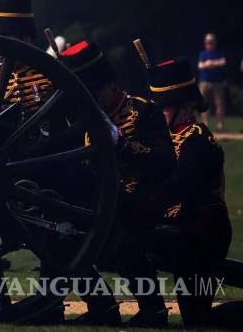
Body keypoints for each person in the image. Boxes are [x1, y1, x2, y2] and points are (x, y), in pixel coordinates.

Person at [60, 40, 176, 326]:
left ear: (110, 86)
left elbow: (164, 163)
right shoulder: (85, 118)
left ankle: (154, 310)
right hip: (99, 204)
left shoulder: (144, 112)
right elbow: (58, 148)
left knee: (122, 237)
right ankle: (102, 307)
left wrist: (121, 144)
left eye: (93, 92)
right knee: (61, 236)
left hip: (142, 201)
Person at [146, 57, 230, 327]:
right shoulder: (165, 140)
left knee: (198, 318)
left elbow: (177, 187)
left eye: (165, 107)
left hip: (204, 233)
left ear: (186, 107)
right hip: (181, 230)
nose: (160, 114)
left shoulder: (198, 141)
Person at [197, 33, 228, 131]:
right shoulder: (203, 53)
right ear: (205, 43)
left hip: (217, 82)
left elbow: (223, 62)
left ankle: (220, 124)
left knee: (219, 103)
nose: (209, 44)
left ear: (215, 43)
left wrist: (210, 63)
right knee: (204, 104)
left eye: (211, 42)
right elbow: (200, 65)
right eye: (207, 42)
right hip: (204, 82)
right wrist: (213, 63)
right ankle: (205, 124)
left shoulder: (219, 53)